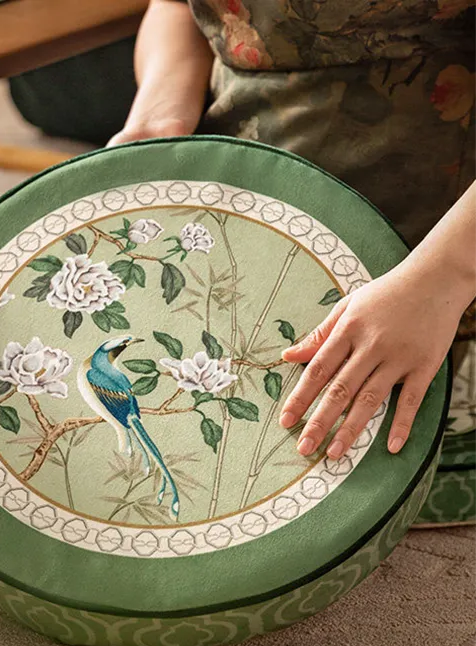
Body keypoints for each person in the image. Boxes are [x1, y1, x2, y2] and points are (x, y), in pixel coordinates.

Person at [105, 0, 476, 461]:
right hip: (232, 182)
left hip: (433, 233)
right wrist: (160, 117)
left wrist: (443, 278)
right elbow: (176, 7)